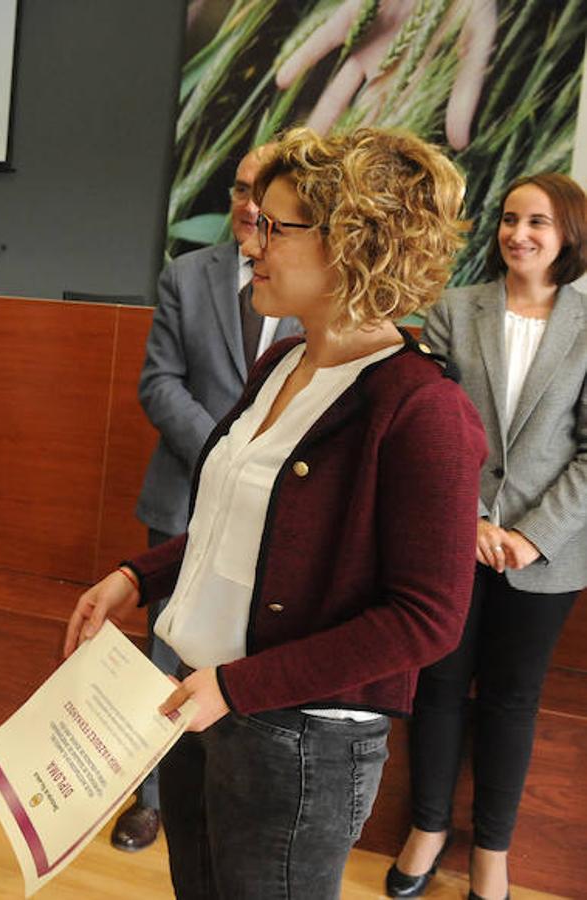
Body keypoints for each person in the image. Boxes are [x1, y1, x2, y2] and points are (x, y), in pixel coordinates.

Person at [64, 126, 485, 899]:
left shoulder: (424, 410)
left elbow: (428, 619)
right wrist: (137, 573)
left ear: (353, 243)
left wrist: (240, 688)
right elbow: (248, 527)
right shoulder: (283, 362)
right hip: (206, 705)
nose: (250, 242)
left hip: (298, 743)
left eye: (274, 226)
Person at [391, 172, 587, 900]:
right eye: (509, 218)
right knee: (437, 685)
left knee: (512, 698)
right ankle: (428, 828)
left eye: (538, 221)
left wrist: (532, 536)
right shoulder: (452, 310)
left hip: (549, 554)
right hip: (453, 537)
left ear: (567, 234)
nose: (519, 233)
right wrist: (468, 518)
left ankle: (492, 852)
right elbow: (428, 425)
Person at [116, 143, 302, 852]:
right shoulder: (186, 275)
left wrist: (257, 470)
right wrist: (228, 457)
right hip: (183, 502)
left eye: (266, 192)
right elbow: (159, 384)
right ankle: (151, 797)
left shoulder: (318, 290)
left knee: (246, 663)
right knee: (166, 657)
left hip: (278, 513)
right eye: (241, 188)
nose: (250, 204)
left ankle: (228, 804)